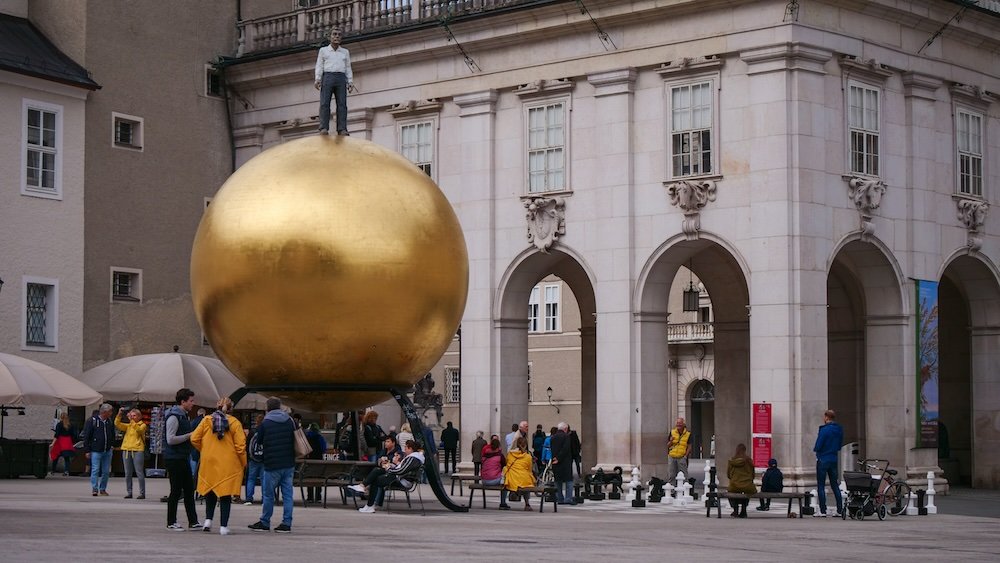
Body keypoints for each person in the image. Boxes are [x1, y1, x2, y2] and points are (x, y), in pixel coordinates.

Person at [191, 397, 246, 536]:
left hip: (208, 460)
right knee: (225, 494)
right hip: (227, 462)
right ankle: (223, 526)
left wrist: (204, 449)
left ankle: (208, 521)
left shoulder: (206, 420)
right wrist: (243, 462)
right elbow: (240, 447)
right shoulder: (234, 423)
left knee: (210, 490)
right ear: (231, 408)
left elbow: (194, 438)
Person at [249, 397, 296, 533]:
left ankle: (265, 521)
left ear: (267, 408)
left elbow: (259, 440)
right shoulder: (289, 420)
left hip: (271, 463)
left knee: (269, 494)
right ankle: (286, 523)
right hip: (288, 462)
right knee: (287, 495)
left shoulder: (266, 423)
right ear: (280, 407)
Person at [350, 440, 425, 513]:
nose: (404, 449)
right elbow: (401, 469)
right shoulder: (412, 457)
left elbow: (401, 470)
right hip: (399, 477)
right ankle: (363, 487)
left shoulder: (413, 458)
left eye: (406, 447)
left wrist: (389, 469)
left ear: (410, 449)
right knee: (377, 470)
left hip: (402, 480)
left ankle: (369, 502)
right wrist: (391, 466)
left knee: (375, 480)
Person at [164, 388, 201, 530]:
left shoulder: (184, 415)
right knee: (176, 490)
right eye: (191, 401)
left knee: (189, 489)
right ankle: (171, 522)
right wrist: (189, 435)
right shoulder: (174, 417)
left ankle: (193, 521)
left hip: (182, 457)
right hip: (174, 458)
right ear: (183, 401)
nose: (193, 403)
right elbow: (170, 439)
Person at [313, 27, 353, 135]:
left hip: (341, 77)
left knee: (342, 104)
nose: (337, 37)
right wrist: (318, 78)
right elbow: (319, 65)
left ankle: (342, 128)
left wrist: (350, 81)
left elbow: (348, 67)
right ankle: (323, 127)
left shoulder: (345, 52)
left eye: (339, 35)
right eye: (334, 34)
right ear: (329, 37)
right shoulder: (323, 51)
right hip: (328, 76)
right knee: (325, 103)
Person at [813, 409, 844, 517]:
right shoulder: (839, 429)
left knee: (821, 485)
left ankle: (822, 510)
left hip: (823, 458)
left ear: (826, 417)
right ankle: (840, 510)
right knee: (835, 484)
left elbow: (818, 445)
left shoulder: (824, 430)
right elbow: (839, 445)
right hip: (833, 458)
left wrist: (818, 450)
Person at [81, 403, 116, 497]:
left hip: (107, 450)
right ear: (104, 412)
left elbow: (112, 434)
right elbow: (86, 436)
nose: (111, 413)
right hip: (96, 450)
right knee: (95, 470)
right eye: (110, 411)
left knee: (105, 471)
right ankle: (95, 488)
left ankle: (103, 489)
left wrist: (112, 444)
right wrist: (87, 450)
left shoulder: (109, 421)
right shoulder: (92, 421)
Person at [115, 407, 148, 499]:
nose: (132, 417)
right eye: (131, 415)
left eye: (134, 416)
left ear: (139, 417)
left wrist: (132, 421)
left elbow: (139, 430)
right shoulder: (129, 426)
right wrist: (119, 414)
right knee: (127, 473)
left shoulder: (142, 425)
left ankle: (142, 493)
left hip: (138, 450)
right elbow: (117, 424)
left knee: (139, 472)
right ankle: (129, 492)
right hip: (126, 449)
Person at [500, 436, 536, 511]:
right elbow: (529, 469)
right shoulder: (528, 456)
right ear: (526, 445)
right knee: (527, 481)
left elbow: (507, 464)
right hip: (523, 479)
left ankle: (503, 502)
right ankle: (527, 504)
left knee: (505, 482)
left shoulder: (510, 454)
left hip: (512, 479)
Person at [726, 443, 756, 518]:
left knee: (731, 491)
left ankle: (735, 509)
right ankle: (743, 510)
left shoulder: (732, 461)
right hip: (747, 485)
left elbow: (728, 475)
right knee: (747, 491)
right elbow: (753, 475)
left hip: (735, 485)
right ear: (745, 450)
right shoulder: (749, 461)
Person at [550, 422, 575, 504]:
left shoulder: (553, 437)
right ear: (565, 429)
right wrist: (559, 458)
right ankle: (568, 498)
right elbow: (566, 449)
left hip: (555, 462)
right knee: (569, 481)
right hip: (565, 462)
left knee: (558, 481)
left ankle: (560, 498)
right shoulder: (566, 436)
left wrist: (555, 458)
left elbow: (553, 450)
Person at [244, 414, 265, 505]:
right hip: (264, 459)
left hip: (253, 459)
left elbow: (247, 445)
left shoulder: (252, 432)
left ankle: (249, 498)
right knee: (264, 479)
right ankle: (265, 498)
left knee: (251, 479)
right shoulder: (266, 431)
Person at [305, 423, 327, 503]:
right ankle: (318, 497)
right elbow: (324, 449)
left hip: (309, 461)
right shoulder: (320, 438)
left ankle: (310, 497)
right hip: (319, 461)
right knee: (318, 477)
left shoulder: (307, 438)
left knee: (309, 477)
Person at [666, 417, 692, 485]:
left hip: (682, 456)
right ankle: (672, 491)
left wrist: (686, 456)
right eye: (677, 423)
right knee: (671, 475)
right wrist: (671, 441)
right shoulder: (672, 432)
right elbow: (667, 445)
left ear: (683, 424)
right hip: (672, 456)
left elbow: (689, 446)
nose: (678, 425)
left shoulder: (688, 434)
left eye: (680, 423)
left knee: (684, 474)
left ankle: (685, 490)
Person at [50, 412, 77, 476]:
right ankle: (66, 471)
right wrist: (72, 442)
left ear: (61, 417)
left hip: (60, 441)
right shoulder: (71, 425)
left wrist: (52, 443)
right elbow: (73, 435)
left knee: (56, 456)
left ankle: (53, 470)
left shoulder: (59, 424)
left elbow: (57, 435)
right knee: (66, 458)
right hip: (67, 442)